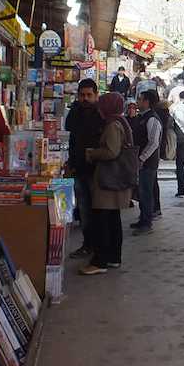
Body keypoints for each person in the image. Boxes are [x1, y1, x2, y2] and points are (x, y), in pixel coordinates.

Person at [78, 92, 134, 275]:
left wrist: (92, 153)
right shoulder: (121, 122)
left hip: (108, 180)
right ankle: (113, 257)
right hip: (114, 181)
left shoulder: (112, 125)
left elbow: (111, 151)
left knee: (102, 220)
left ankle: (100, 261)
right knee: (112, 220)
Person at [64, 79, 105, 259]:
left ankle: (99, 247)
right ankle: (88, 245)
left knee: (98, 210)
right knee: (84, 209)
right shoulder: (74, 113)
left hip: (97, 171)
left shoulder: (102, 115)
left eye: (89, 95)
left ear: (96, 95)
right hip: (78, 168)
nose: (85, 98)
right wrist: (70, 163)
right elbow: (70, 139)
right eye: (82, 95)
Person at [130, 89, 163, 234]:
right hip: (141, 162)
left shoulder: (152, 119)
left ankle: (146, 223)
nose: (138, 102)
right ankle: (142, 219)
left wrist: (142, 158)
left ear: (147, 102)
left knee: (146, 193)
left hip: (148, 163)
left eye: (140, 99)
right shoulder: (142, 117)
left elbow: (153, 142)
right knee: (142, 192)